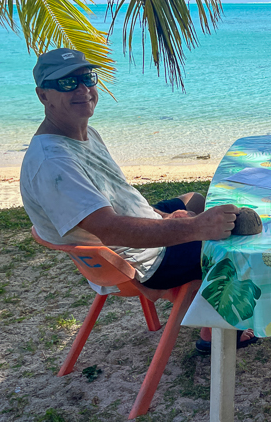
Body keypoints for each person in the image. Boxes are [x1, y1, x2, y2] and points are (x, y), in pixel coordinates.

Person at [19, 48, 256, 352]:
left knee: (194, 200)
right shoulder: (53, 162)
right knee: (236, 245)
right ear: (43, 95)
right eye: (67, 83)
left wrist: (164, 217)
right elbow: (111, 229)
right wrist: (196, 228)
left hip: (139, 238)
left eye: (87, 78)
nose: (82, 89)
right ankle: (215, 336)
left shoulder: (86, 135)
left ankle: (206, 306)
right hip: (146, 262)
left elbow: (120, 197)